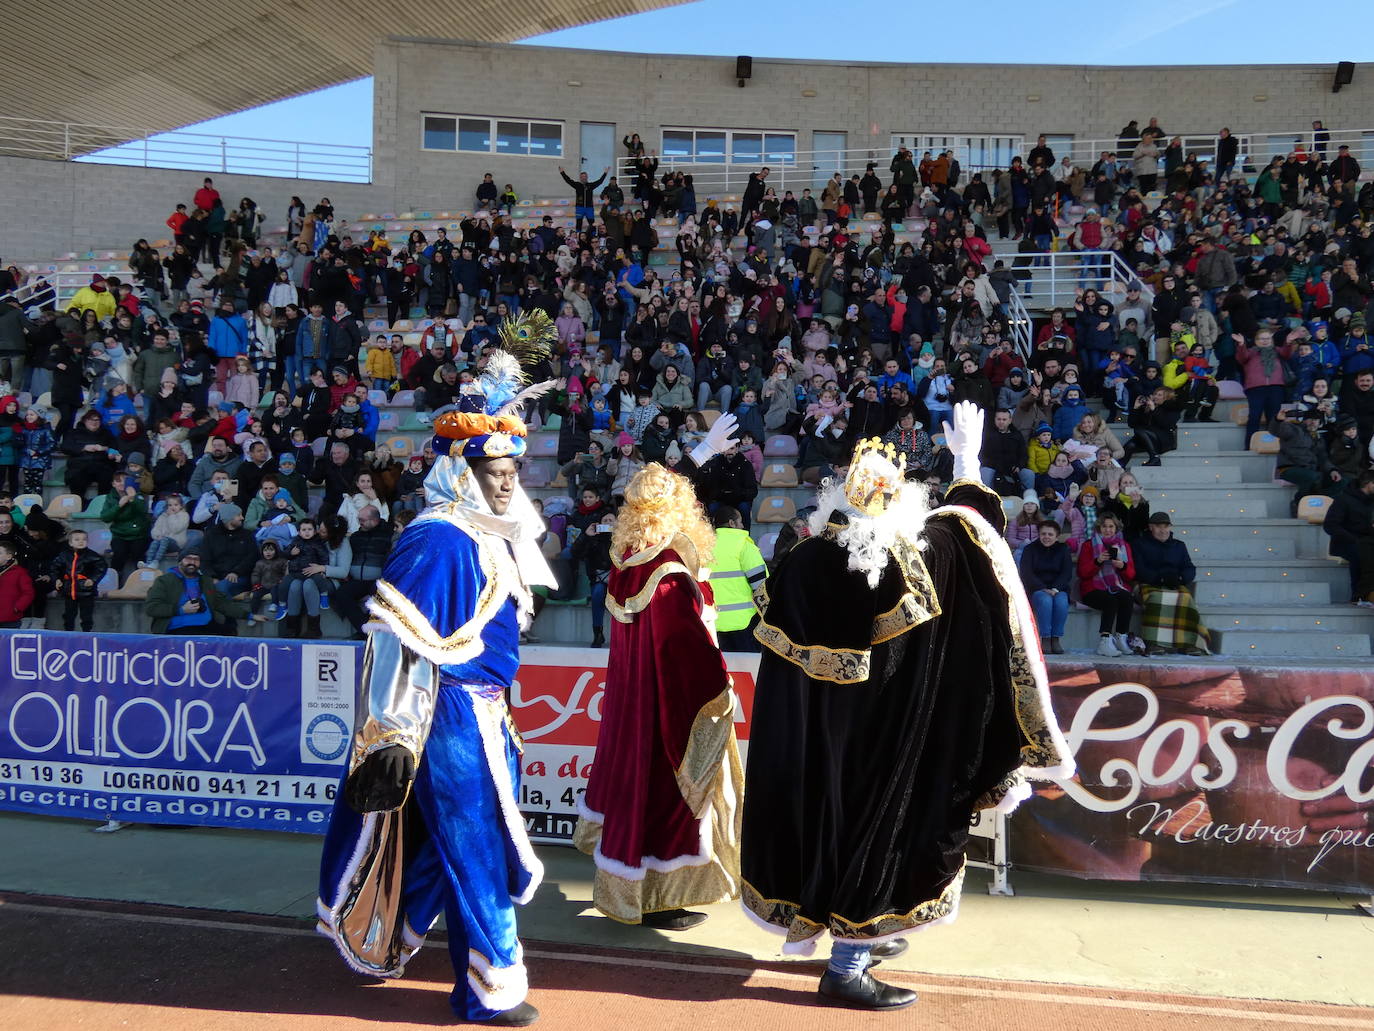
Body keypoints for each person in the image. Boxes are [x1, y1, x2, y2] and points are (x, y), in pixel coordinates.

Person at [740, 404, 1071, 1010]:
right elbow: (974, 533)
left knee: (828, 824)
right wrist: (968, 463)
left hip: (820, 741)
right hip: (886, 735)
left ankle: (851, 928)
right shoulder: (916, 557)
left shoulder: (805, 559)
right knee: (879, 830)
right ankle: (847, 965)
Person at [318, 315, 558, 1028]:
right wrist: (389, 734)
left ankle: (387, 930)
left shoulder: (486, 535)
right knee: (477, 846)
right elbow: (393, 640)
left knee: (461, 845)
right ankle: (492, 987)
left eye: (515, 471)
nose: (509, 484)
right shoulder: (439, 539)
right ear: (462, 470)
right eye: (495, 472)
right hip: (446, 716)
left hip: (486, 712)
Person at [575, 438, 744, 930]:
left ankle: (629, 891)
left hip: (631, 709)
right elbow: (684, 655)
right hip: (664, 713)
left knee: (633, 794)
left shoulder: (629, 564)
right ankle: (658, 899)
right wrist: (719, 687)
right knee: (666, 800)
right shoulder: (669, 577)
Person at [1132, 512, 1210, 656]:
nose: (1163, 530)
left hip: (1174, 583)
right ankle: (1153, 643)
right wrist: (1159, 579)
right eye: (1158, 526)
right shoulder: (1140, 544)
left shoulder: (1179, 546)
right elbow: (1138, 568)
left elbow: (1189, 567)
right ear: (1150, 527)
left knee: (1186, 598)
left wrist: (1181, 579)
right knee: (1157, 597)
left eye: (1166, 526)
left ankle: (1188, 643)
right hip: (1148, 583)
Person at [144, 548, 250, 635]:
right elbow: (151, 608)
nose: (192, 562)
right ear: (180, 561)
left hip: (207, 626)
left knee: (229, 632)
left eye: (196, 559)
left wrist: (250, 616)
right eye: (188, 558)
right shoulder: (164, 581)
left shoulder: (205, 581)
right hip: (179, 628)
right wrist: (181, 610)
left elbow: (220, 603)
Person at [1077, 511, 1136, 657]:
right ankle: (1105, 641)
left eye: (1111, 526)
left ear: (1116, 528)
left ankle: (1121, 637)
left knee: (1127, 597)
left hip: (1117, 585)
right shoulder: (1088, 545)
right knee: (1110, 600)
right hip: (1092, 588)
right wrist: (1098, 561)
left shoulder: (1124, 546)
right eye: (1104, 526)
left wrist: (1122, 566)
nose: (1107, 530)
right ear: (1098, 528)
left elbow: (1131, 575)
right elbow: (1082, 573)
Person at [709, 504, 767, 652]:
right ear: (731, 523)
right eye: (740, 522)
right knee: (745, 670)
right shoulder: (743, 544)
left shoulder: (704, 545)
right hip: (744, 622)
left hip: (712, 623)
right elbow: (761, 586)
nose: (742, 526)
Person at [1019, 519, 1073, 654]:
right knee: (1045, 600)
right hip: (1036, 588)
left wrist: (1055, 588)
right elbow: (1027, 573)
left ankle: (1056, 638)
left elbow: (1066, 572)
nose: (1046, 537)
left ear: (1056, 536)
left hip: (1058, 588)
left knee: (1061, 601)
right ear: (1039, 534)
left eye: (1050, 534)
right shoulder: (1030, 549)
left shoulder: (1063, 549)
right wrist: (1043, 587)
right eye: (1043, 534)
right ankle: (1046, 638)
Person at [1322, 472, 1374, 604]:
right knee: (1362, 554)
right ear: (1369, 484)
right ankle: (1359, 595)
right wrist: (1352, 539)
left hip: (1368, 539)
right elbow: (1330, 525)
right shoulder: (1343, 499)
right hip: (1347, 541)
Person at [51, 528, 107, 632]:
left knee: (86, 616)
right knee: (69, 615)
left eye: (84, 539)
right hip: (69, 591)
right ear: (70, 543)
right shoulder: (64, 555)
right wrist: (57, 579)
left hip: (86, 591)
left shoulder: (93, 556)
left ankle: (87, 634)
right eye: (77, 539)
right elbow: (55, 568)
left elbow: (101, 568)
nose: (81, 542)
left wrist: (93, 579)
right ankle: (68, 633)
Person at [0, 541, 35, 629]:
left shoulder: (20, 572)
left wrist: (17, 608)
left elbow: (28, 593)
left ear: (9, 556)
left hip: (9, 619)